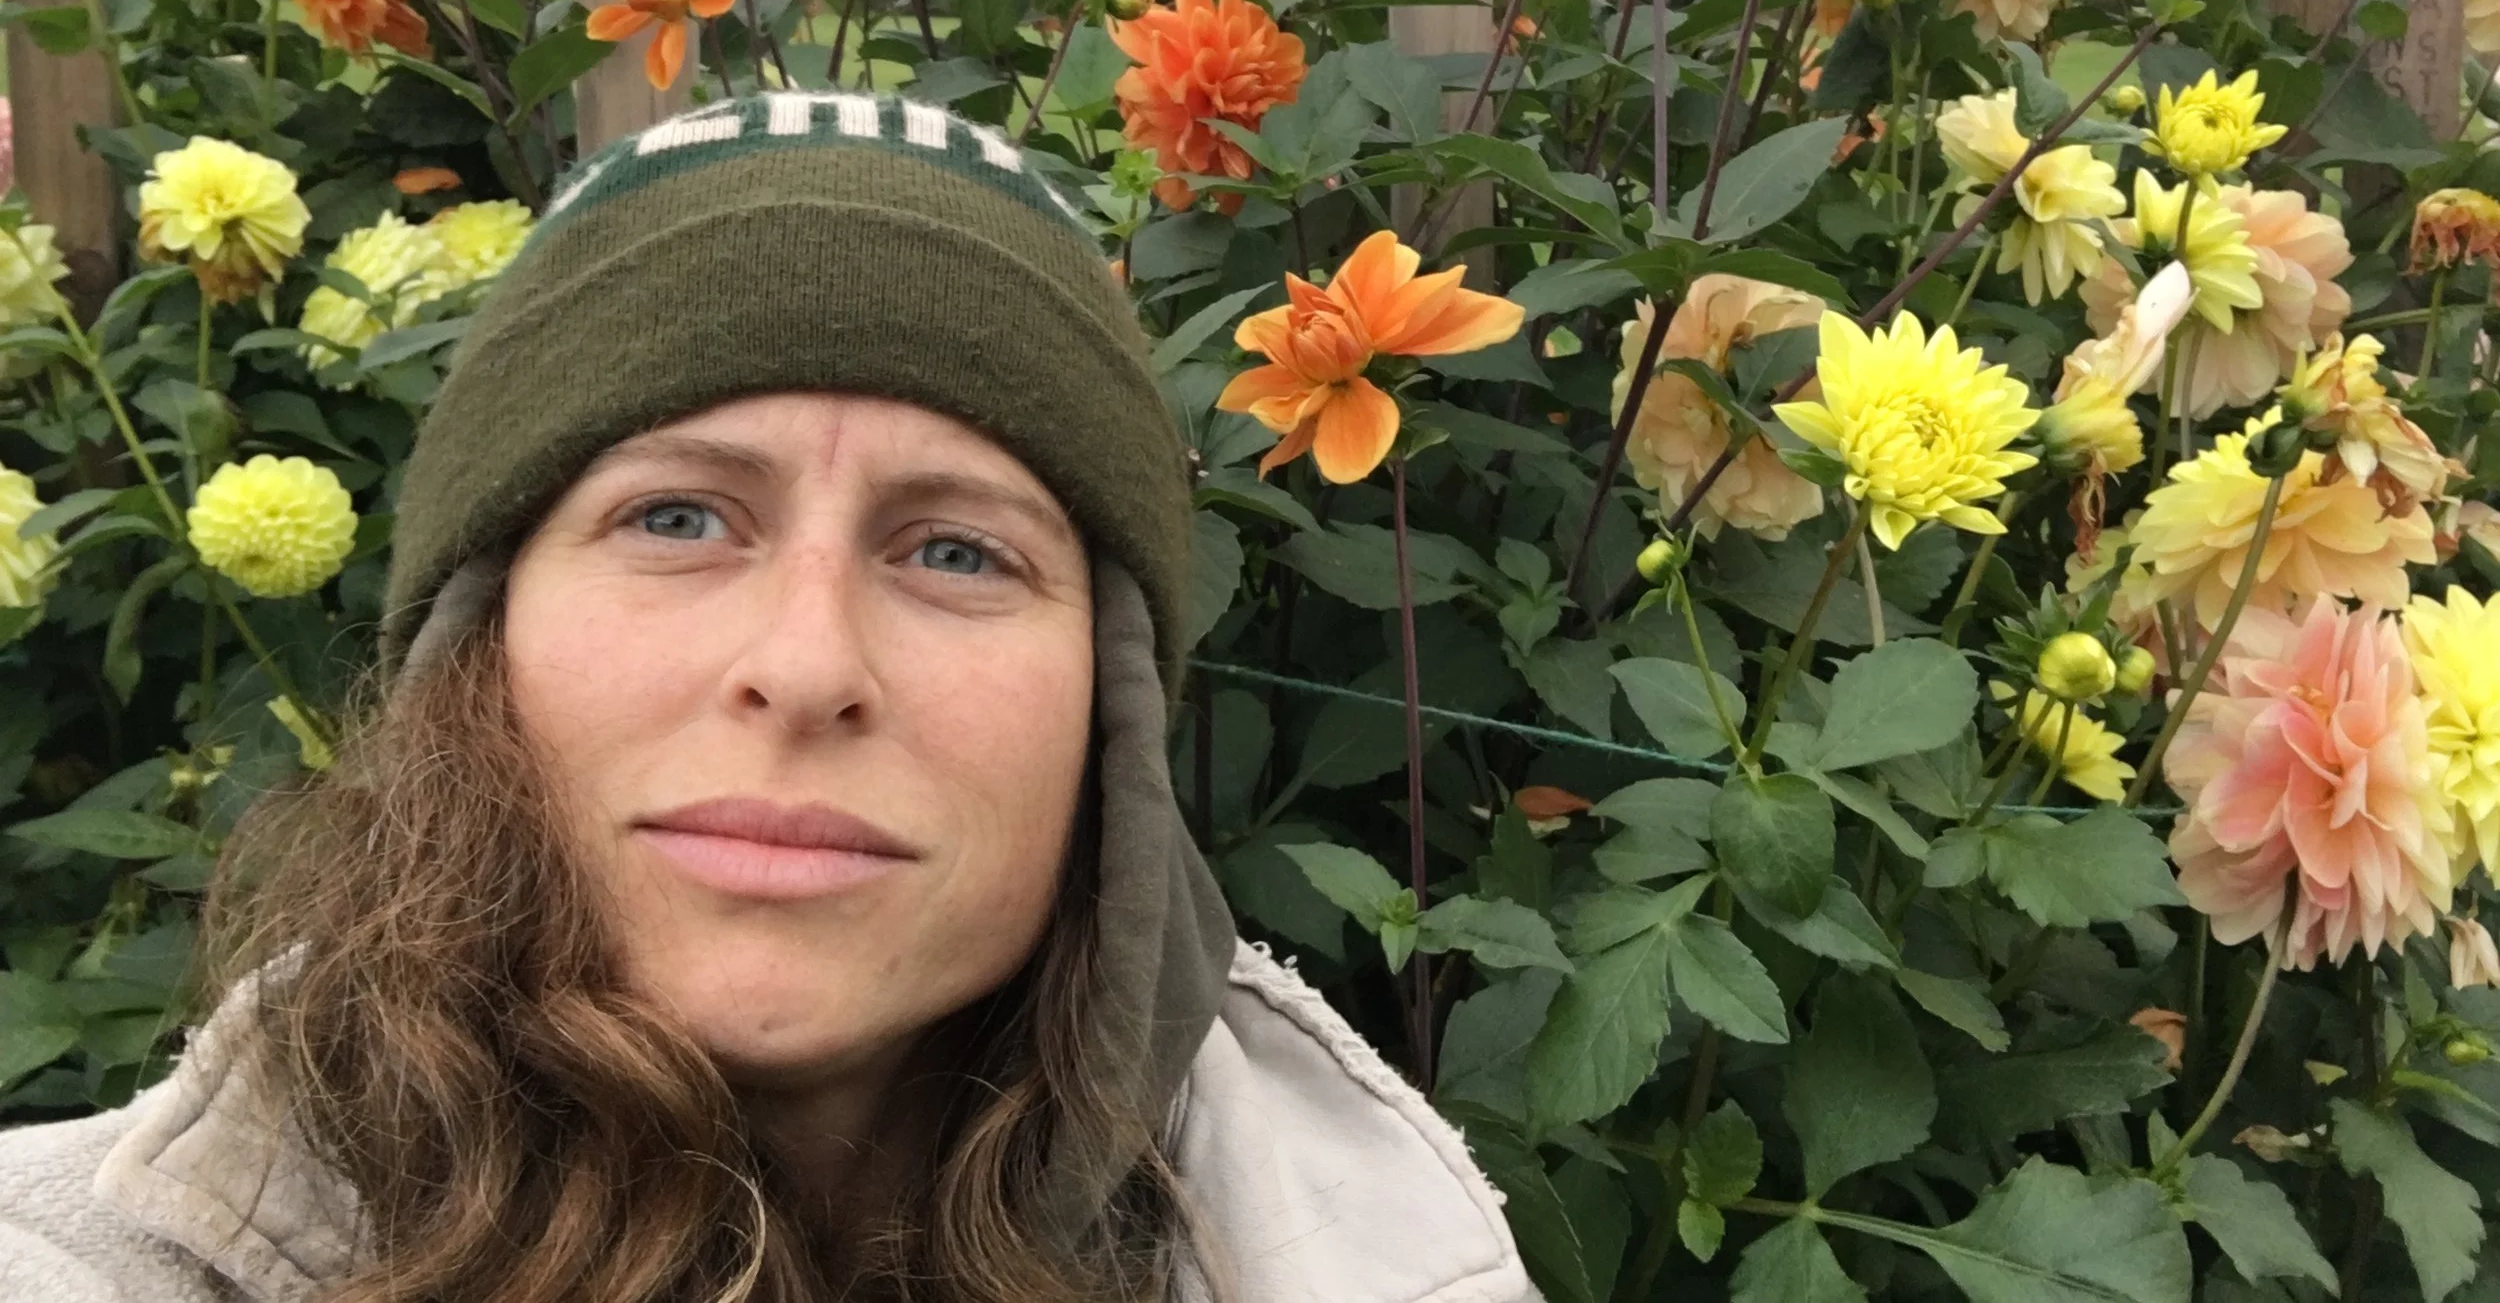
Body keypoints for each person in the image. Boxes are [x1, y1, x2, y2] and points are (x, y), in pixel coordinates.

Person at [0, 93, 1536, 1303]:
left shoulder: (1392, 1263)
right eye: (677, 517)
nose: (805, 667)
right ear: (475, 633)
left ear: (1113, 712)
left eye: (955, 549)